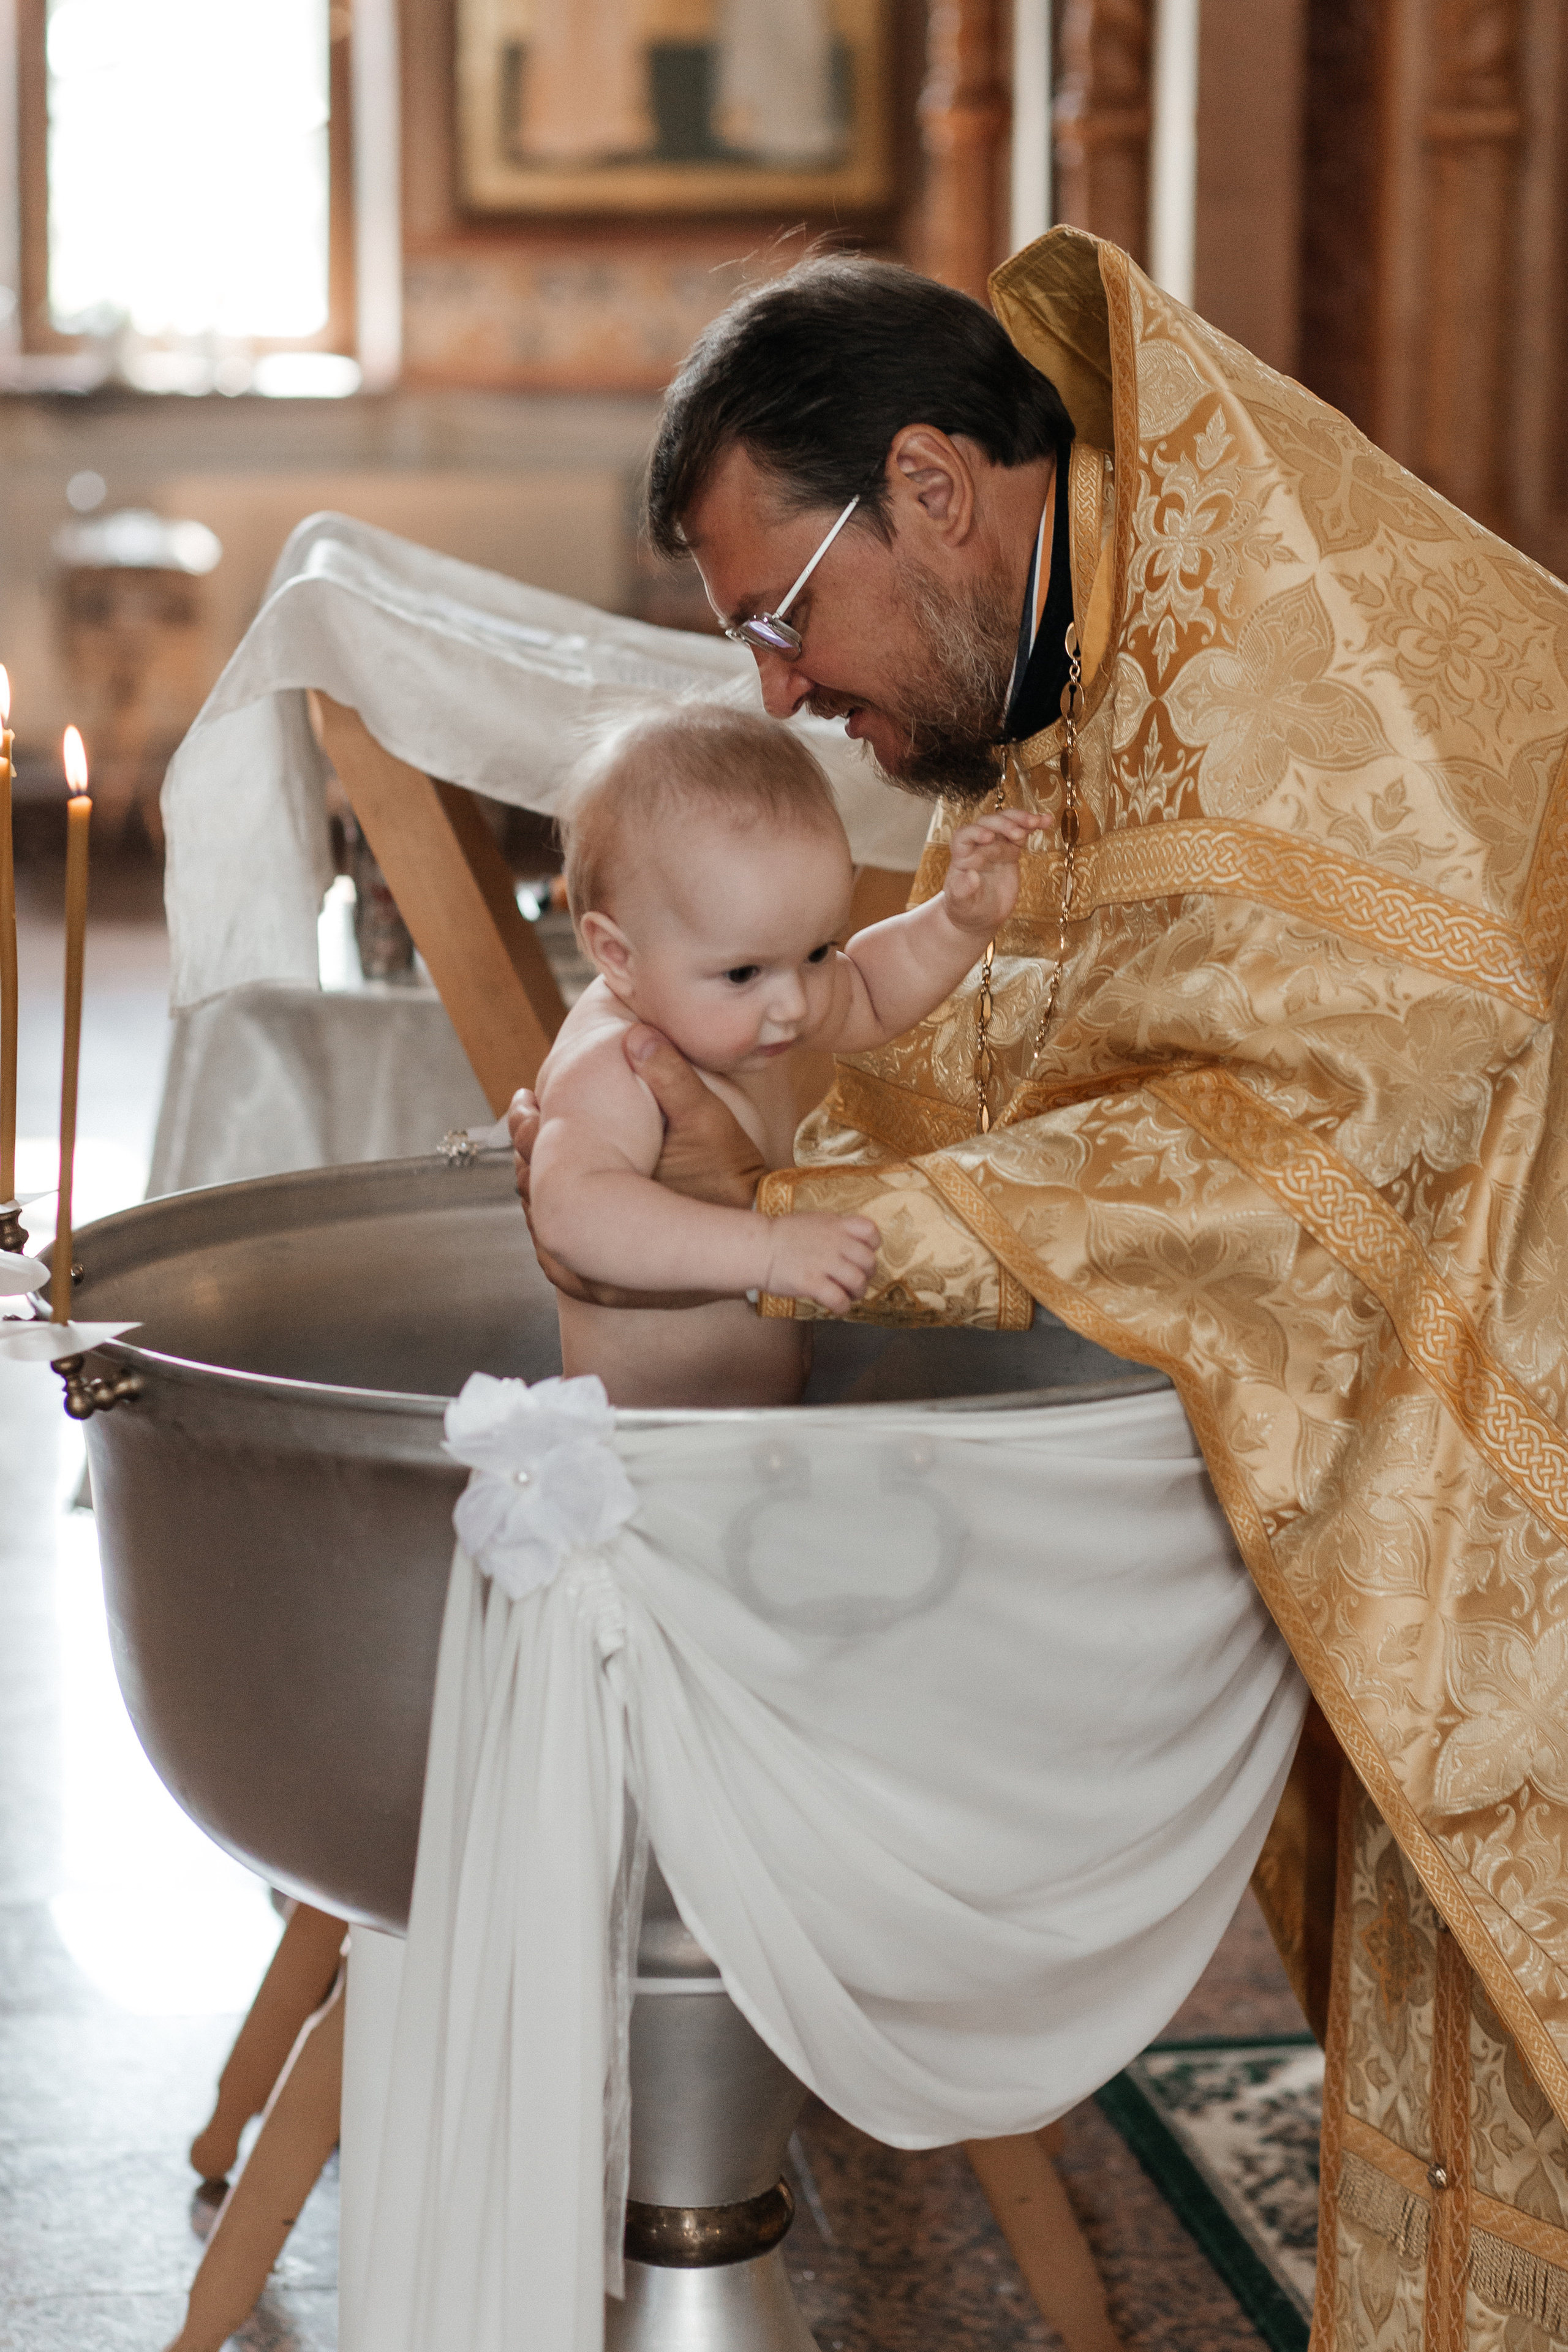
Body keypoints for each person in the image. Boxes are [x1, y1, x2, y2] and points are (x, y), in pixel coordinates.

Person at [513, 225, 1568, 2351]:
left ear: (930, 488)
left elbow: (1322, 1120)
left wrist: (822, 1229)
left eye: (783, 624)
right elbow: (1056, 1031)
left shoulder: (1290, 646)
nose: (783, 700)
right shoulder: (1109, 613)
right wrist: (734, 1152)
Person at [532, 695, 1034, 1406]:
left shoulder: (746, 1005)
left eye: (816, 950)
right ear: (616, 955)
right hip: (646, 1447)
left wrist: (956, 922)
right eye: (743, 973)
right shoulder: (617, 1063)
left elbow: (866, 992)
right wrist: (766, 1250)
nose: (795, 1004)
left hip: (754, 1435)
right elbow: (571, 1212)